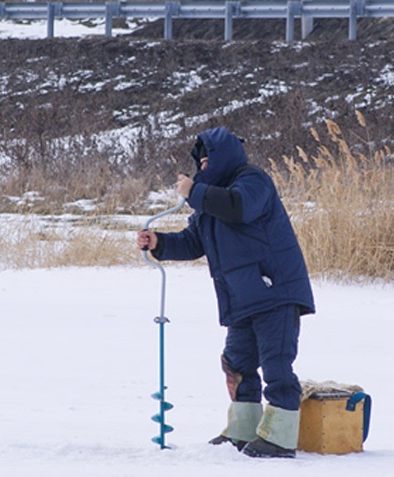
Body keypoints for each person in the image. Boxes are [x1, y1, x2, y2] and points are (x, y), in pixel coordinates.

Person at [136, 127, 314, 458]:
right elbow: (193, 241)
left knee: (276, 364)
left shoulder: (252, 181)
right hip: (241, 298)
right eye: (200, 163)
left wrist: (195, 192)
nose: (203, 168)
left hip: (274, 291)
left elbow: (239, 207)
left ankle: (280, 437)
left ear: (225, 157)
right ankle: (244, 429)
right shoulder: (208, 201)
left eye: (208, 161)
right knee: (237, 363)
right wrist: (159, 242)